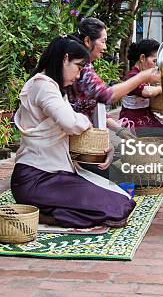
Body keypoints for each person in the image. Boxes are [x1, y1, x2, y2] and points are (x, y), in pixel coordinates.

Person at [11, 36, 135, 228]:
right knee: (116, 210)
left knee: (124, 200)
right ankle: (48, 214)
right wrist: (85, 121)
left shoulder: (55, 88)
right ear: (64, 58)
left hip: (56, 175)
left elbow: (74, 125)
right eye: (78, 67)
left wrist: (104, 146)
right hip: (35, 179)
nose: (78, 75)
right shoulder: (42, 85)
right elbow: (70, 122)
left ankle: (50, 212)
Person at [68, 17, 160, 134]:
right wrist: (143, 77)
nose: (105, 47)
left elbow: (94, 103)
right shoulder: (82, 67)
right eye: (103, 41)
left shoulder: (85, 66)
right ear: (87, 41)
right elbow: (106, 95)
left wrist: (119, 130)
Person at [119, 39, 163, 130]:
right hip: (133, 121)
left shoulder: (143, 74)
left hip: (146, 117)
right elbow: (148, 92)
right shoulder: (132, 76)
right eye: (154, 61)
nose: (156, 66)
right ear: (142, 58)